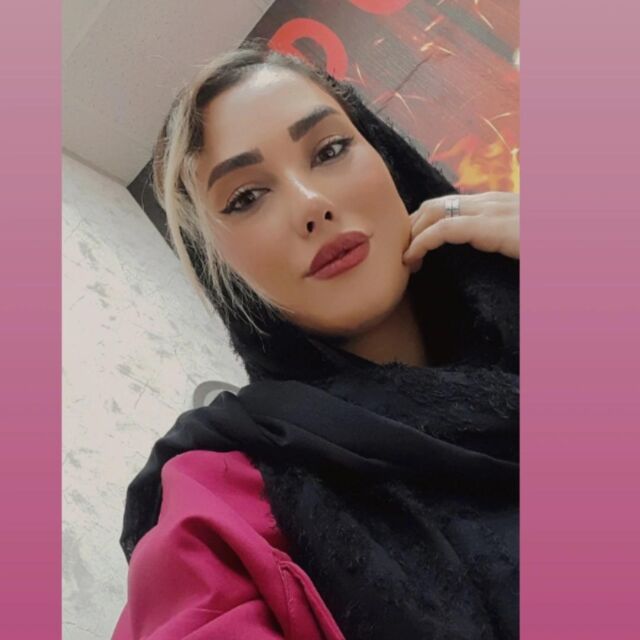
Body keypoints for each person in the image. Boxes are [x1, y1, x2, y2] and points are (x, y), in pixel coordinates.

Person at [112, 39, 519, 640]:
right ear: (224, 273)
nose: (312, 205)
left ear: (385, 156)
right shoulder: (220, 506)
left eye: (329, 150)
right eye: (247, 197)